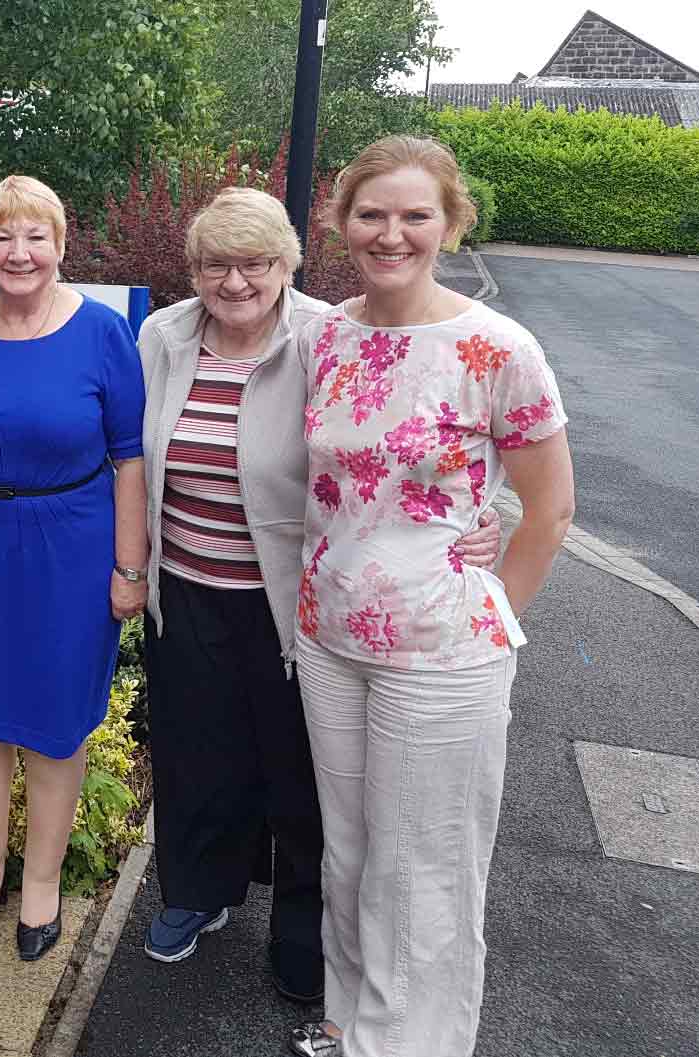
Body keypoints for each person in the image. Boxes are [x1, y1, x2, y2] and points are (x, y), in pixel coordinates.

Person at [135, 188, 504, 1005]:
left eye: (256, 263)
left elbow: (412, 436)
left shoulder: (326, 336)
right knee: (197, 756)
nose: (235, 282)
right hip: (186, 588)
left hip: (296, 599)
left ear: (288, 265)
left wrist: (484, 516)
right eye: (215, 264)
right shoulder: (162, 335)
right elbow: (133, 452)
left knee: (299, 775)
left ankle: (301, 928)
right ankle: (199, 895)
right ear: (192, 268)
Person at [287, 136, 574, 1057]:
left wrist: (492, 615)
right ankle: (347, 1020)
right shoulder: (326, 332)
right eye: (371, 213)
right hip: (330, 634)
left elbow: (552, 507)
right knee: (352, 852)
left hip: (444, 654)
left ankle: (409, 1046)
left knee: (428, 871)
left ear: (451, 223)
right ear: (340, 223)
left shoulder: (497, 346)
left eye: (415, 214)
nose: (391, 233)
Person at [0, 175, 147, 962]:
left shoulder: (100, 333)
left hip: (72, 544)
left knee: (55, 724)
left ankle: (42, 883)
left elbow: (129, 458)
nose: (17, 253)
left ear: (61, 245)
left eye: (34, 237)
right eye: (0, 237)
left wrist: (131, 567)